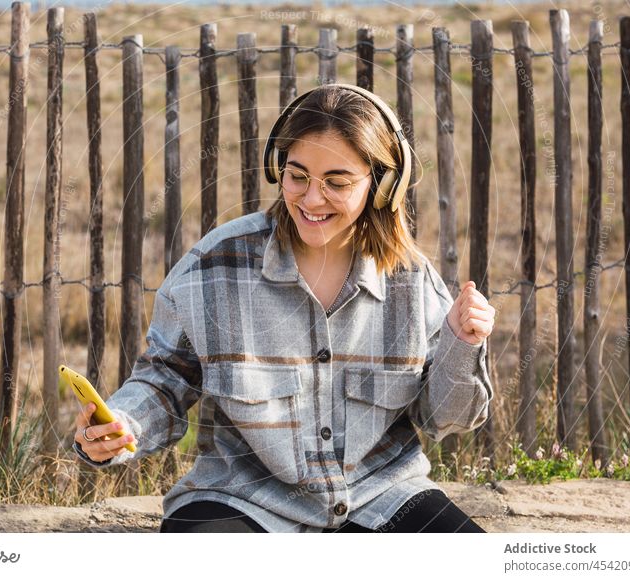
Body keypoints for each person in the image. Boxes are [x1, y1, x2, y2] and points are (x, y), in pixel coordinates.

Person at [73, 83, 496, 533]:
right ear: (279, 170)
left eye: (336, 182)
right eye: (298, 176)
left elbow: (444, 418)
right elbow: (167, 377)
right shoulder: (215, 267)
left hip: (381, 497)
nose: (312, 199)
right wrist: (123, 424)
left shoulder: (412, 281)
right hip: (241, 501)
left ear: (382, 184)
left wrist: (461, 344)